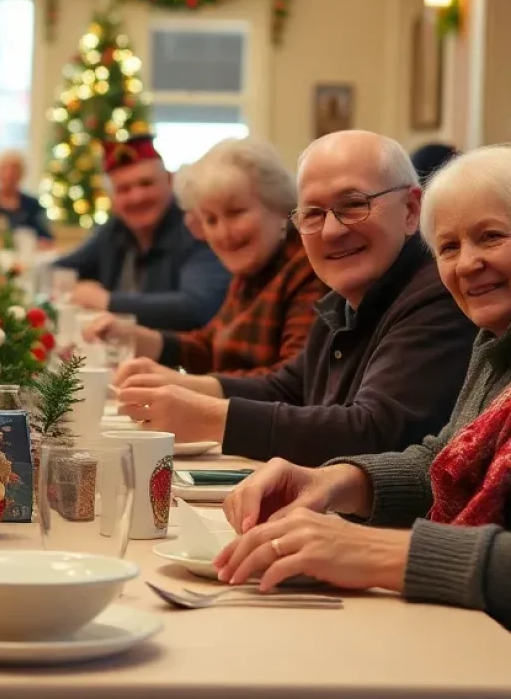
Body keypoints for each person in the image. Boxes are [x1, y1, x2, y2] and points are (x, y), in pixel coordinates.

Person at [213, 145, 511, 630]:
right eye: (451, 247)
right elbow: (445, 459)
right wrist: (333, 481)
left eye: (492, 237)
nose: (467, 265)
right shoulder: (496, 343)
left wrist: (382, 551)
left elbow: (375, 425)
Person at [114, 130, 474, 464]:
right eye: (314, 213)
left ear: (411, 209)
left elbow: (376, 432)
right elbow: (290, 386)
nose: (331, 230)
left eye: (352, 204)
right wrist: (179, 386)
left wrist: (210, 416)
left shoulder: (438, 294)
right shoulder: (345, 292)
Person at [85, 137, 326, 375]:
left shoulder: (308, 269)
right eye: (210, 219)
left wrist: (179, 385)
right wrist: (133, 336)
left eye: (236, 212)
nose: (223, 233)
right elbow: (208, 346)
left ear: (279, 205)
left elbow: (291, 385)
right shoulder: (251, 270)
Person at [55, 135, 231, 330]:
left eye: (146, 184)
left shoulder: (195, 226)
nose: (137, 197)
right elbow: (62, 269)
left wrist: (105, 300)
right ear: (112, 198)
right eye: (123, 189)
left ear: (169, 181)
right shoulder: (116, 228)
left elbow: (195, 307)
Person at [0, 150, 53, 243]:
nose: (9, 174)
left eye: (14, 169)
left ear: (22, 174)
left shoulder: (33, 205)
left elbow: (46, 238)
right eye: (4, 169)